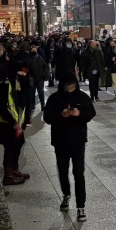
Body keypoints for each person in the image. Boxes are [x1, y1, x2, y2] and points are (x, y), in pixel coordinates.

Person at [43, 72, 96, 222]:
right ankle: (66, 194)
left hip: (78, 141)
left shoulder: (82, 97)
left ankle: (81, 206)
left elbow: (91, 113)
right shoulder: (55, 99)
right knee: (62, 171)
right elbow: (47, 118)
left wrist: (79, 114)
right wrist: (61, 115)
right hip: (60, 141)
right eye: (67, 87)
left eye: (72, 87)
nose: (70, 90)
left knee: (79, 173)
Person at [0, 74, 28, 185]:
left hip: (17, 123)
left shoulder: (20, 83)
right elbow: (2, 108)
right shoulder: (5, 86)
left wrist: (23, 122)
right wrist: (14, 123)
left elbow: (23, 104)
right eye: (21, 71)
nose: (24, 73)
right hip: (6, 124)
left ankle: (14, 170)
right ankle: (8, 175)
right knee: (10, 148)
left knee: (18, 145)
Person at [26, 41, 49, 114]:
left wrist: (44, 74)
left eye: (35, 50)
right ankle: (33, 104)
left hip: (39, 78)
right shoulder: (28, 59)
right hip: (31, 78)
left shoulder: (40, 58)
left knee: (40, 92)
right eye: (33, 50)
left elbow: (45, 66)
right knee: (32, 93)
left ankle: (42, 104)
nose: (34, 51)